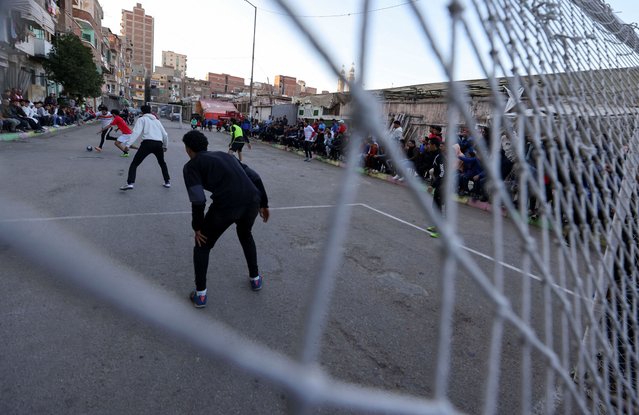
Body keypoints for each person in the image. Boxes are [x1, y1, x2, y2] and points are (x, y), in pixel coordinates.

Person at [182, 130, 270, 308]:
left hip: (228, 205)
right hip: (252, 199)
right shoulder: (226, 155)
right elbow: (255, 176)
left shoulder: (192, 165)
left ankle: (200, 295)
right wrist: (263, 203)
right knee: (245, 234)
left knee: (202, 245)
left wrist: (197, 227)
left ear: (188, 149)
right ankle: (255, 279)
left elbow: (198, 199)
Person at [119, 105, 171, 190]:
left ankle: (130, 183)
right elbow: (165, 134)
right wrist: (165, 146)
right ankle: (167, 182)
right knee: (162, 163)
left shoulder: (142, 119)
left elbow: (136, 132)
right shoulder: (157, 121)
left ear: (142, 112)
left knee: (135, 164)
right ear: (150, 111)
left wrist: (128, 145)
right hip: (158, 144)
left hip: (147, 143)